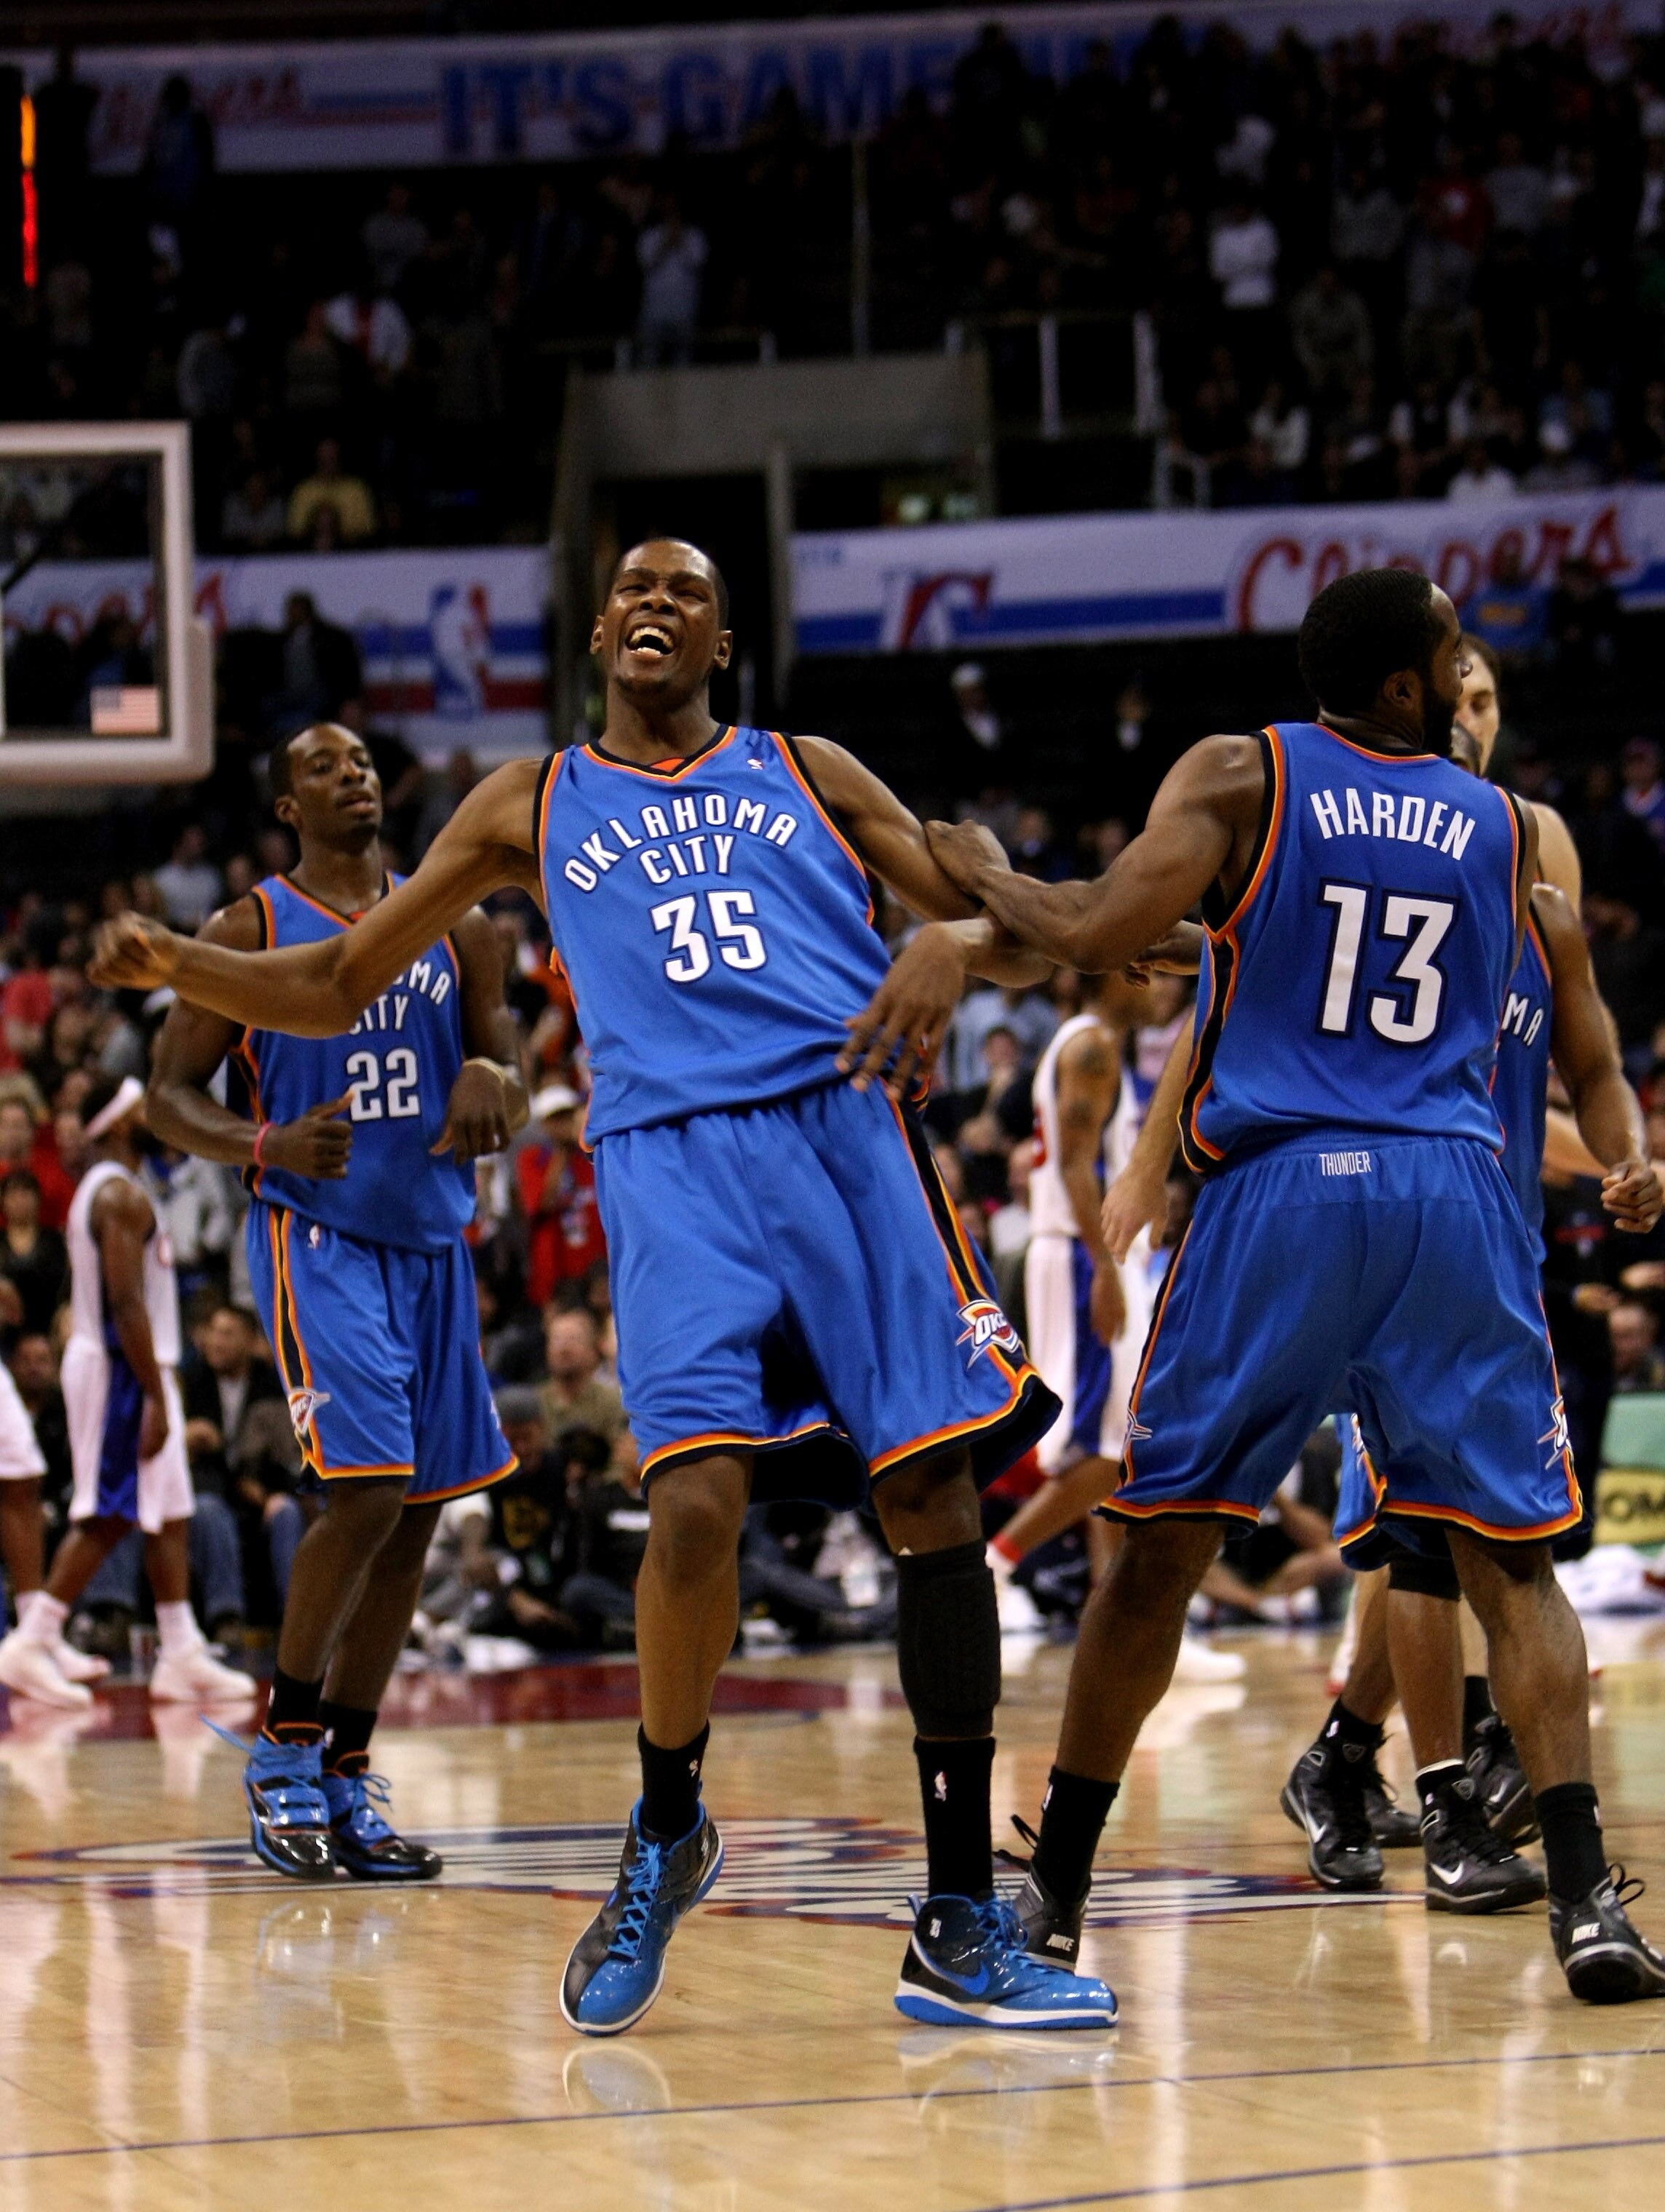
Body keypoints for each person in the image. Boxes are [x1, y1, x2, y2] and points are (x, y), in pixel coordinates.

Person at [91, 535, 1117, 2036]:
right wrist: (181, 957)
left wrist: (956, 943)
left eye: (684, 592)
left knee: (930, 1505)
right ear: (594, 634)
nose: (653, 605)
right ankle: (664, 1824)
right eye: (631, 589)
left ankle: (957, 1914)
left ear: (718, 643)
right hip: (669, 1165)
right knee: (694, 1502)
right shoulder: (532, 802)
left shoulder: (809, 768)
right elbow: (331, 982)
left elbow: (1037, 929)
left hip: (848, 1137)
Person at [914, 566, 1665, 2005]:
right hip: (1455, 1204)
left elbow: (1079, 932)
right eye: (1452, 656)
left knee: (1157, 1558)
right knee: (1512, 1563)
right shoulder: (1511, 836)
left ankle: (1056, 1889)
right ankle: (1586, 1903)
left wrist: (982, 869)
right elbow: (1588, 1053)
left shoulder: (1243, 769)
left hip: (1286, 1193)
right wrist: (1625, 1158)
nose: (1465, 674)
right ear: (1405, 685)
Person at [143, 720, 525, 1883]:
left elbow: (505, 1065)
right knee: (365, 1491)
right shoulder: (247, 930)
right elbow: (165, 1098)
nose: (350, 773)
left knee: (416, 1520)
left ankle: (349, 1774)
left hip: (434, 1245)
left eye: (359, 759)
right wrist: (262, 1142)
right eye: (319, 765)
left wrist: (493, 1075)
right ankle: (283, 1754)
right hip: (322, 1239)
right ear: (286, 809)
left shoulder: (457, 922)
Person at [986, 969, 1244, 1679]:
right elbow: (1072, 1165)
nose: (1162, 987)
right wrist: (1103, 1269)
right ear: (1121, 975)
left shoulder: (1101, 1048)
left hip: (1091, 1252)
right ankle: (996, 1562)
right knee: (1111, 1452)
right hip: (1078, 1255)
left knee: (1119, 1445)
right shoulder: (1092, 1047)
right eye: (1152, 971)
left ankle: (1121, 1617)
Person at [0, 1078, 250, 1709]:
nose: (155, 1118)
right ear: (115, 1124)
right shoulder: (116, 1195)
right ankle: (32, 1640)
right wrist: (157, 1397)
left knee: (171, 1509)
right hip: (119, 1368)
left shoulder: (130, 1188)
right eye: (142, 1108)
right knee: (112, 1510)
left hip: (138, 1364)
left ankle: (181, 1650)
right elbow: (125, 1305)